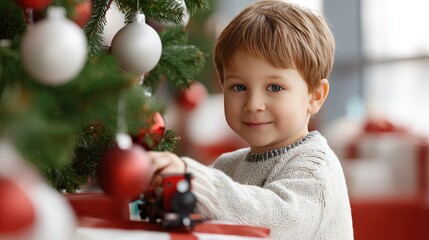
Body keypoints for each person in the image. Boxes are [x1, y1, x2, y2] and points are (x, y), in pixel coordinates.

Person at [147, 0, 354, 239]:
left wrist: (193, 182)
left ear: (315, 96)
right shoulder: (227, 166)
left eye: (274, 87)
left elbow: (278, 222)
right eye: (239, 86)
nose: (253, 104)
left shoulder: (315, 169)